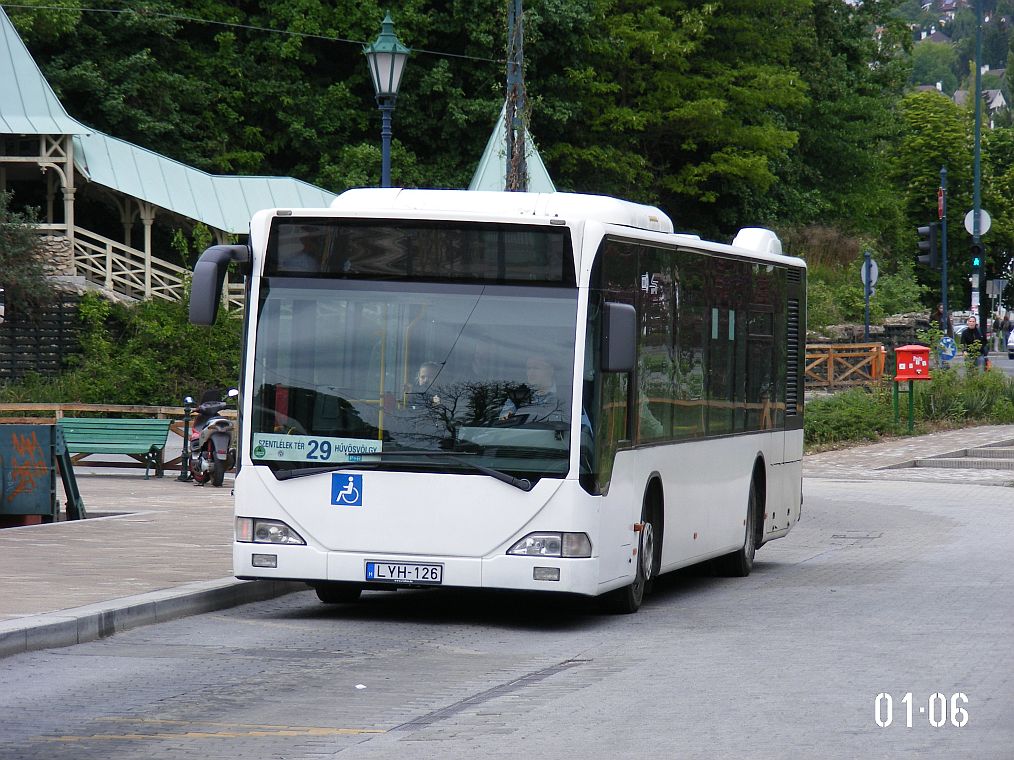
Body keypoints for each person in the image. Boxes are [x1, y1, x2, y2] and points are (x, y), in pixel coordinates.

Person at [499, 355, 567, 423]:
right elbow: (503, 423)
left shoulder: (568, 395)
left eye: (536, 368)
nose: (531, 372)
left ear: (550, 370)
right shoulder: (517, 396)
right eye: (528, 368)